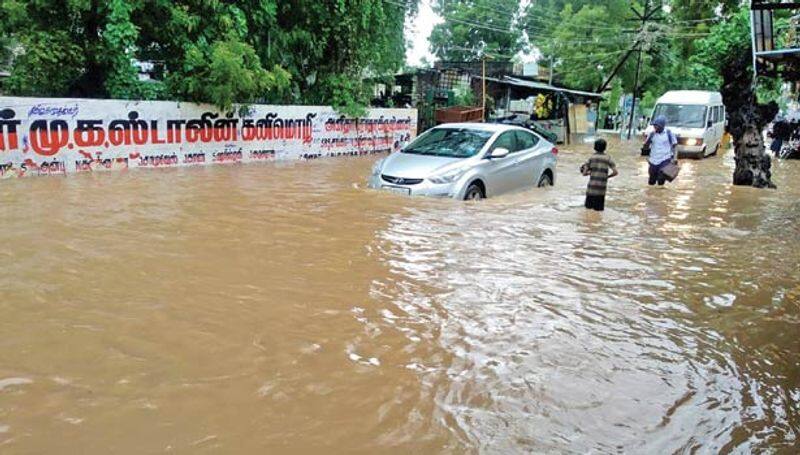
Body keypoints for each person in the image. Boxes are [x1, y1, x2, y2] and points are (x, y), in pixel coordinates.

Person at [581, 138, 618, 211]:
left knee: (588, 211)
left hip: (591, 189)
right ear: (605, 147)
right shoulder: (608, 158)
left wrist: (590, 173)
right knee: (598, 212)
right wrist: (606, 177)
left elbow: (584, 173)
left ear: (595, 147)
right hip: (601, 190)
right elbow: (615, 172)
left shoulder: (591, 158)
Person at [642, 115, 677, 186]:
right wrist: (648, 139)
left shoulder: (669, 133)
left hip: (665, 159)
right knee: (651, 181)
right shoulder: (652, 134)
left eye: (656, 125)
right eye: (654, 125)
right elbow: (645, 146)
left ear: (662, 126)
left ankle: (660, 191)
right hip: (653, 160)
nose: (654, 127)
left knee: (661, 179)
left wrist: (675, 158)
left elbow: (675, 146)